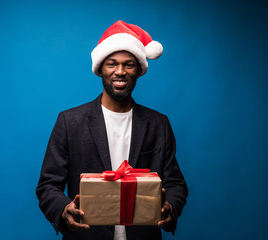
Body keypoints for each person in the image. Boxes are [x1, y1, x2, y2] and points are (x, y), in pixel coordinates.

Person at [36, 20, 188, 240]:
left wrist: (170, 207)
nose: (120, 71)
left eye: (129, 64)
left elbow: (175, 183)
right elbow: (48, 184)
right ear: (100, 69)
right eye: (112, 64)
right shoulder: (70, 121)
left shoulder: (158, 124)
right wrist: (63, 209)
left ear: (138, 71)